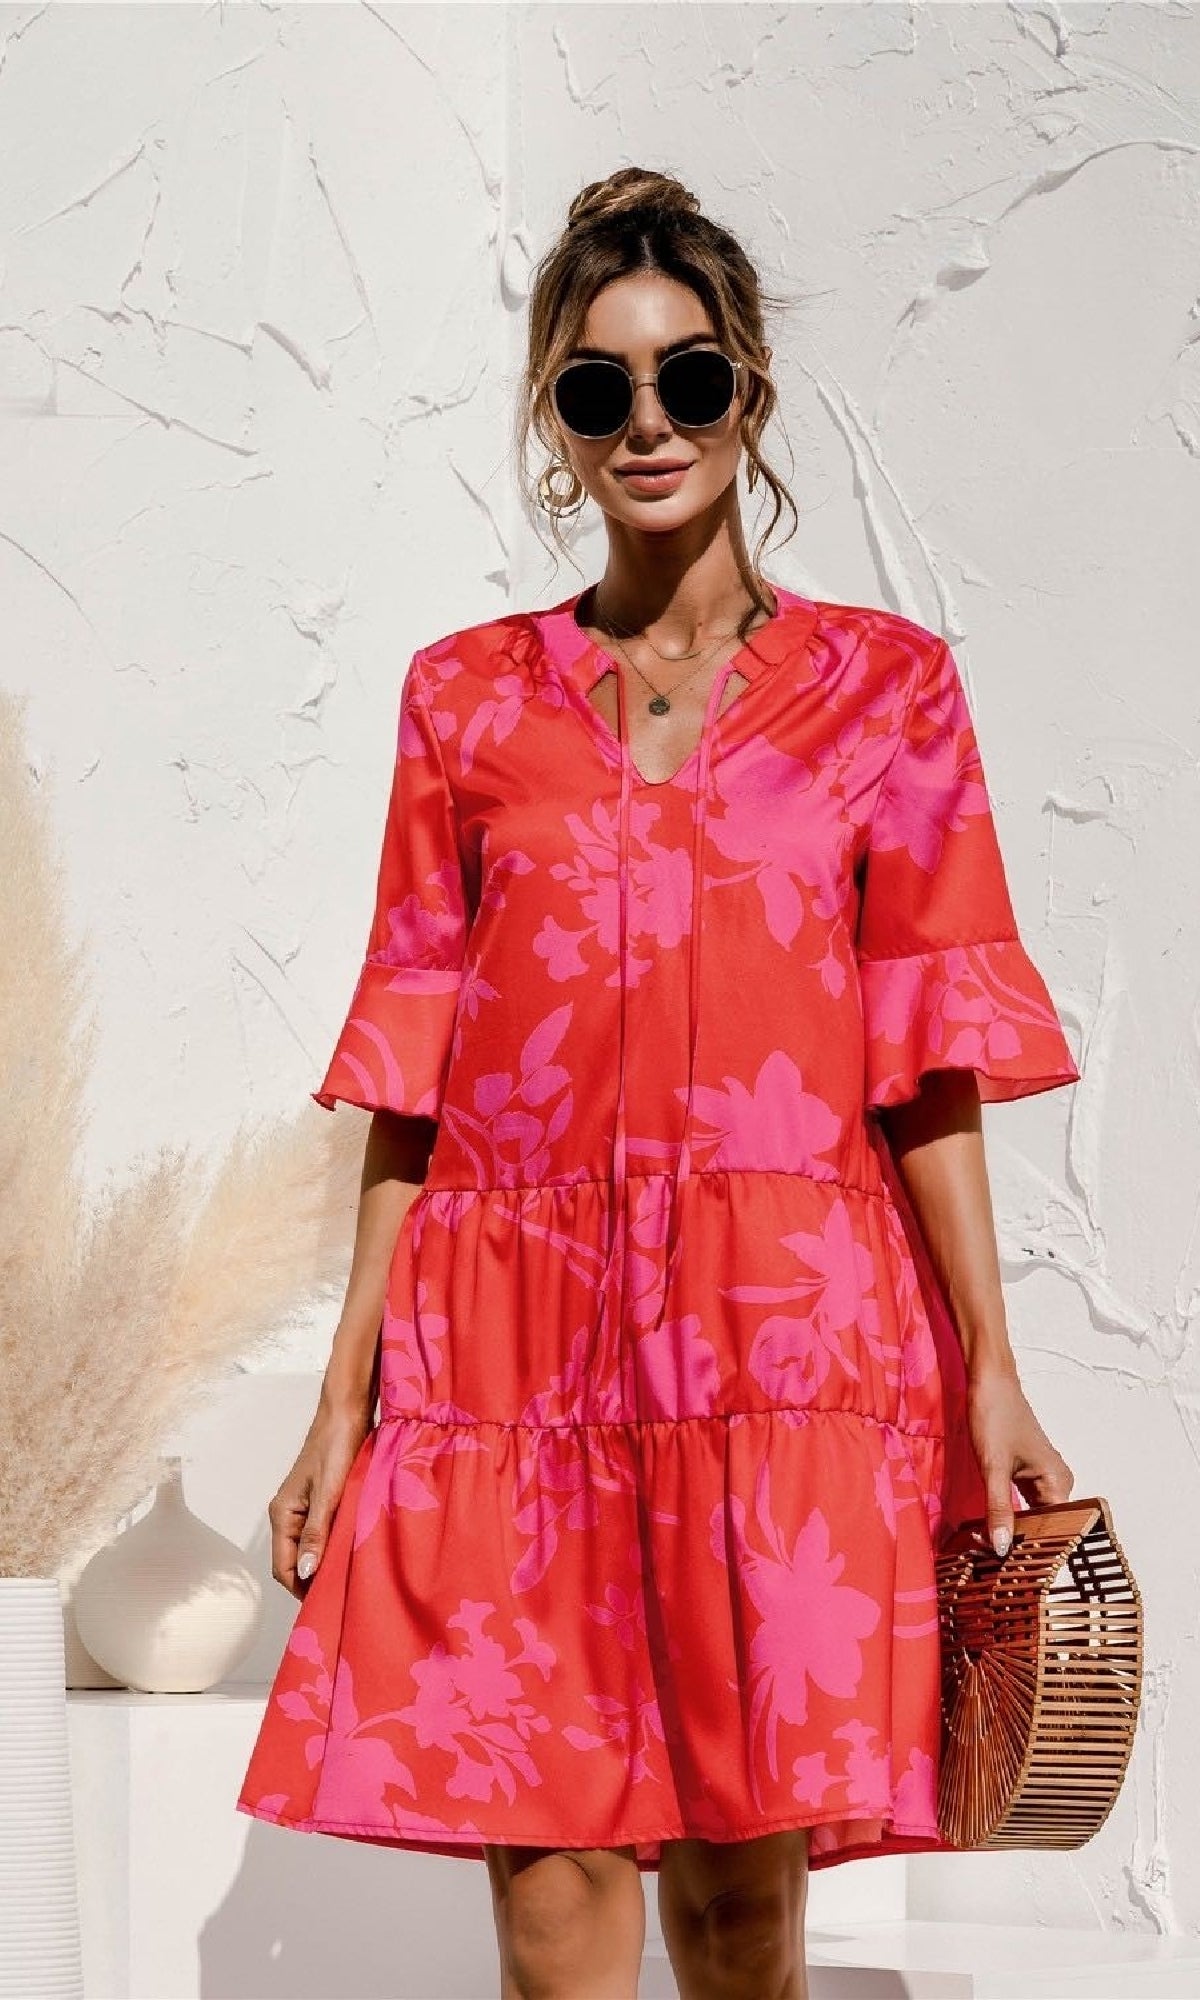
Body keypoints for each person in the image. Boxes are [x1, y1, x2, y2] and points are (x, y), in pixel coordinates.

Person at [236, 167, 1081, 2000]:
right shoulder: (465, 699)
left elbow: (928, 1057)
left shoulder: (886, 692)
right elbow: (413, 1066)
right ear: (553, 419)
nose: (647, 423)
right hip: (512, 1348)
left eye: (688, 378)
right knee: (548, 1906)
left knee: (737, 1909)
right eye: (596, 387)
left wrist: (990, 1370)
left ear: (747, 392)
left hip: (775, 1337)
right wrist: (342, 1397)